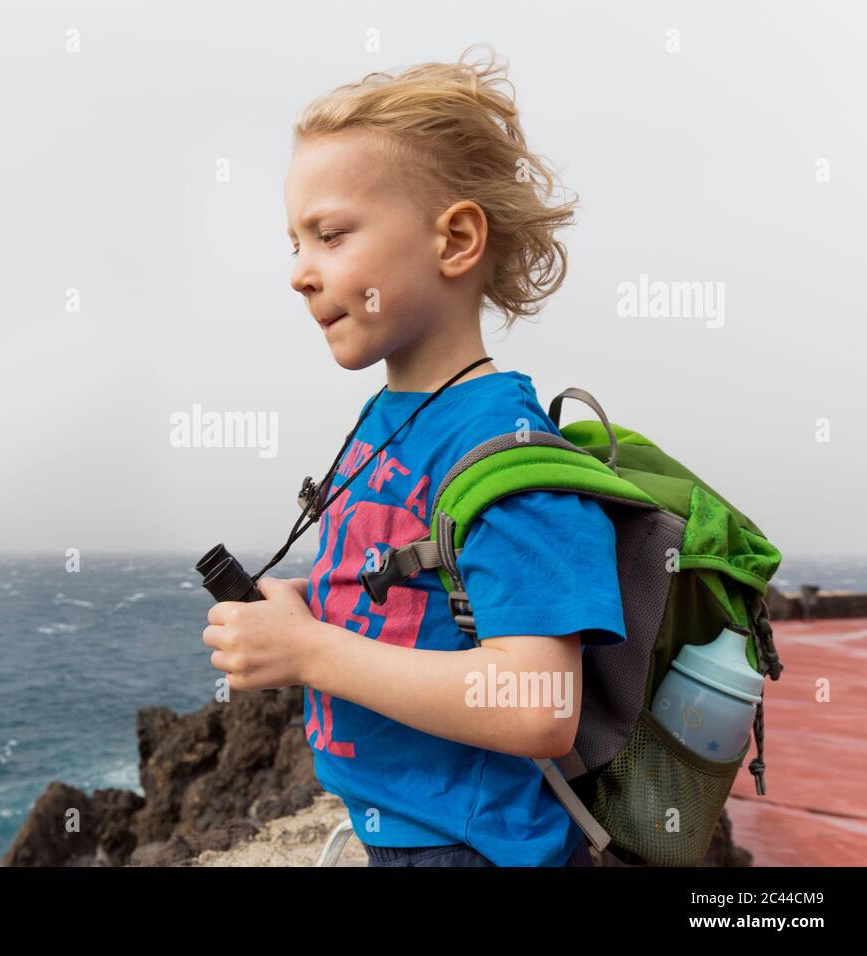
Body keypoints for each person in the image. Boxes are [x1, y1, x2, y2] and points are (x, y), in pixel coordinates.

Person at [202, 46, 623, 867]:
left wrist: (309, 652)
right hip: (399, 835)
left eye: (330, 234)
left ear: (457, 239)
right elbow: (414, 593)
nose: (298, 273)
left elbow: (540, 702)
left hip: (475, 853)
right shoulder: (394, 417)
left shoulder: (503, 449)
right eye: (293, 242)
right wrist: (306, 603)